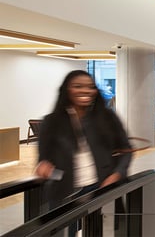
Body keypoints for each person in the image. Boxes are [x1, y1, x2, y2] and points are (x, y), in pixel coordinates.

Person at [34, 70, 132, 214]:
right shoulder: (52, 121)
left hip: (100, 188)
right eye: (78, 86)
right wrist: (45, 168)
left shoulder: (107, 117)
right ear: (67, 89)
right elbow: (43, 160)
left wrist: (116, 174)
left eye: (90, 87)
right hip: (64, 193)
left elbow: (126, 150)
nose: (86, 90)